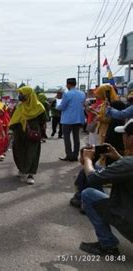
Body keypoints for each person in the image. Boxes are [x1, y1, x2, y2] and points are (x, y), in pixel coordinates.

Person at [79, 119, 133, 255]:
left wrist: (87, 159)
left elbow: (92, 178)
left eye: (124, 134)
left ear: (131, 139)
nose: (123, 137)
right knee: (96, 169)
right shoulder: (127, 163)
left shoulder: (128, 163)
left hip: (129, 220)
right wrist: (119, 157)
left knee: (88, 193)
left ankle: (107, 245)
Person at [9, 86, 46, 185]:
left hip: (32, 134)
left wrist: (41, 133)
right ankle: (22, 169)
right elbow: (13, 119)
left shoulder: (39, 107)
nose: (20, 96)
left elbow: (43, 121)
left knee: (32, 153)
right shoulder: (19, 106)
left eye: (22, 94)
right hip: (19, 133)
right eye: (20, 94)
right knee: (18, 151)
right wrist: (11, 131)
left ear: (29, 95)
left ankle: (31, 174)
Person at [57, 78, 86, 162]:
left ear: (68, 84)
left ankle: (69, 155)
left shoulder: (67, 94)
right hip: (78, 119)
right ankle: (75, 155)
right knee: (76, 138)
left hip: (67, 120)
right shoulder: (82, 93)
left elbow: (62, 107)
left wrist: (57, 106)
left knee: (67, 138)